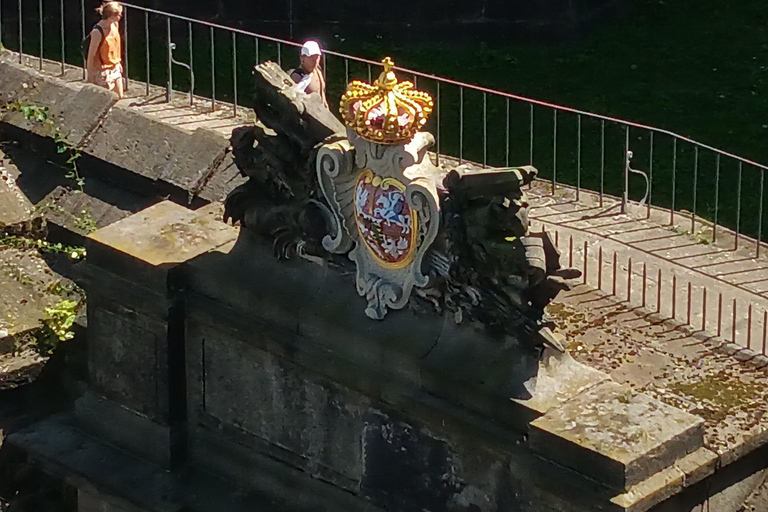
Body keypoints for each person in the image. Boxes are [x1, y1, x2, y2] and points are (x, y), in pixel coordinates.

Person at [86, 1, 124, 98]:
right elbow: (91, 55)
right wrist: (90, 75)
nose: (121, 16)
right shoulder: (97, 32)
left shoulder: (114, 25)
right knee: (105, 98)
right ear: (111, 16)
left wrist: (118, 63)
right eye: (118, 14)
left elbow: (115, 46)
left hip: (114, 67)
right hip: (102, 70)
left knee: (119, 96)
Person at [290, 40, 327, 108]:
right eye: (311, 57)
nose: (315, 60)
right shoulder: (297, 76)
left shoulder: (317, 70)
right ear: (303, 57)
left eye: (317, 57)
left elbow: (322, 92)